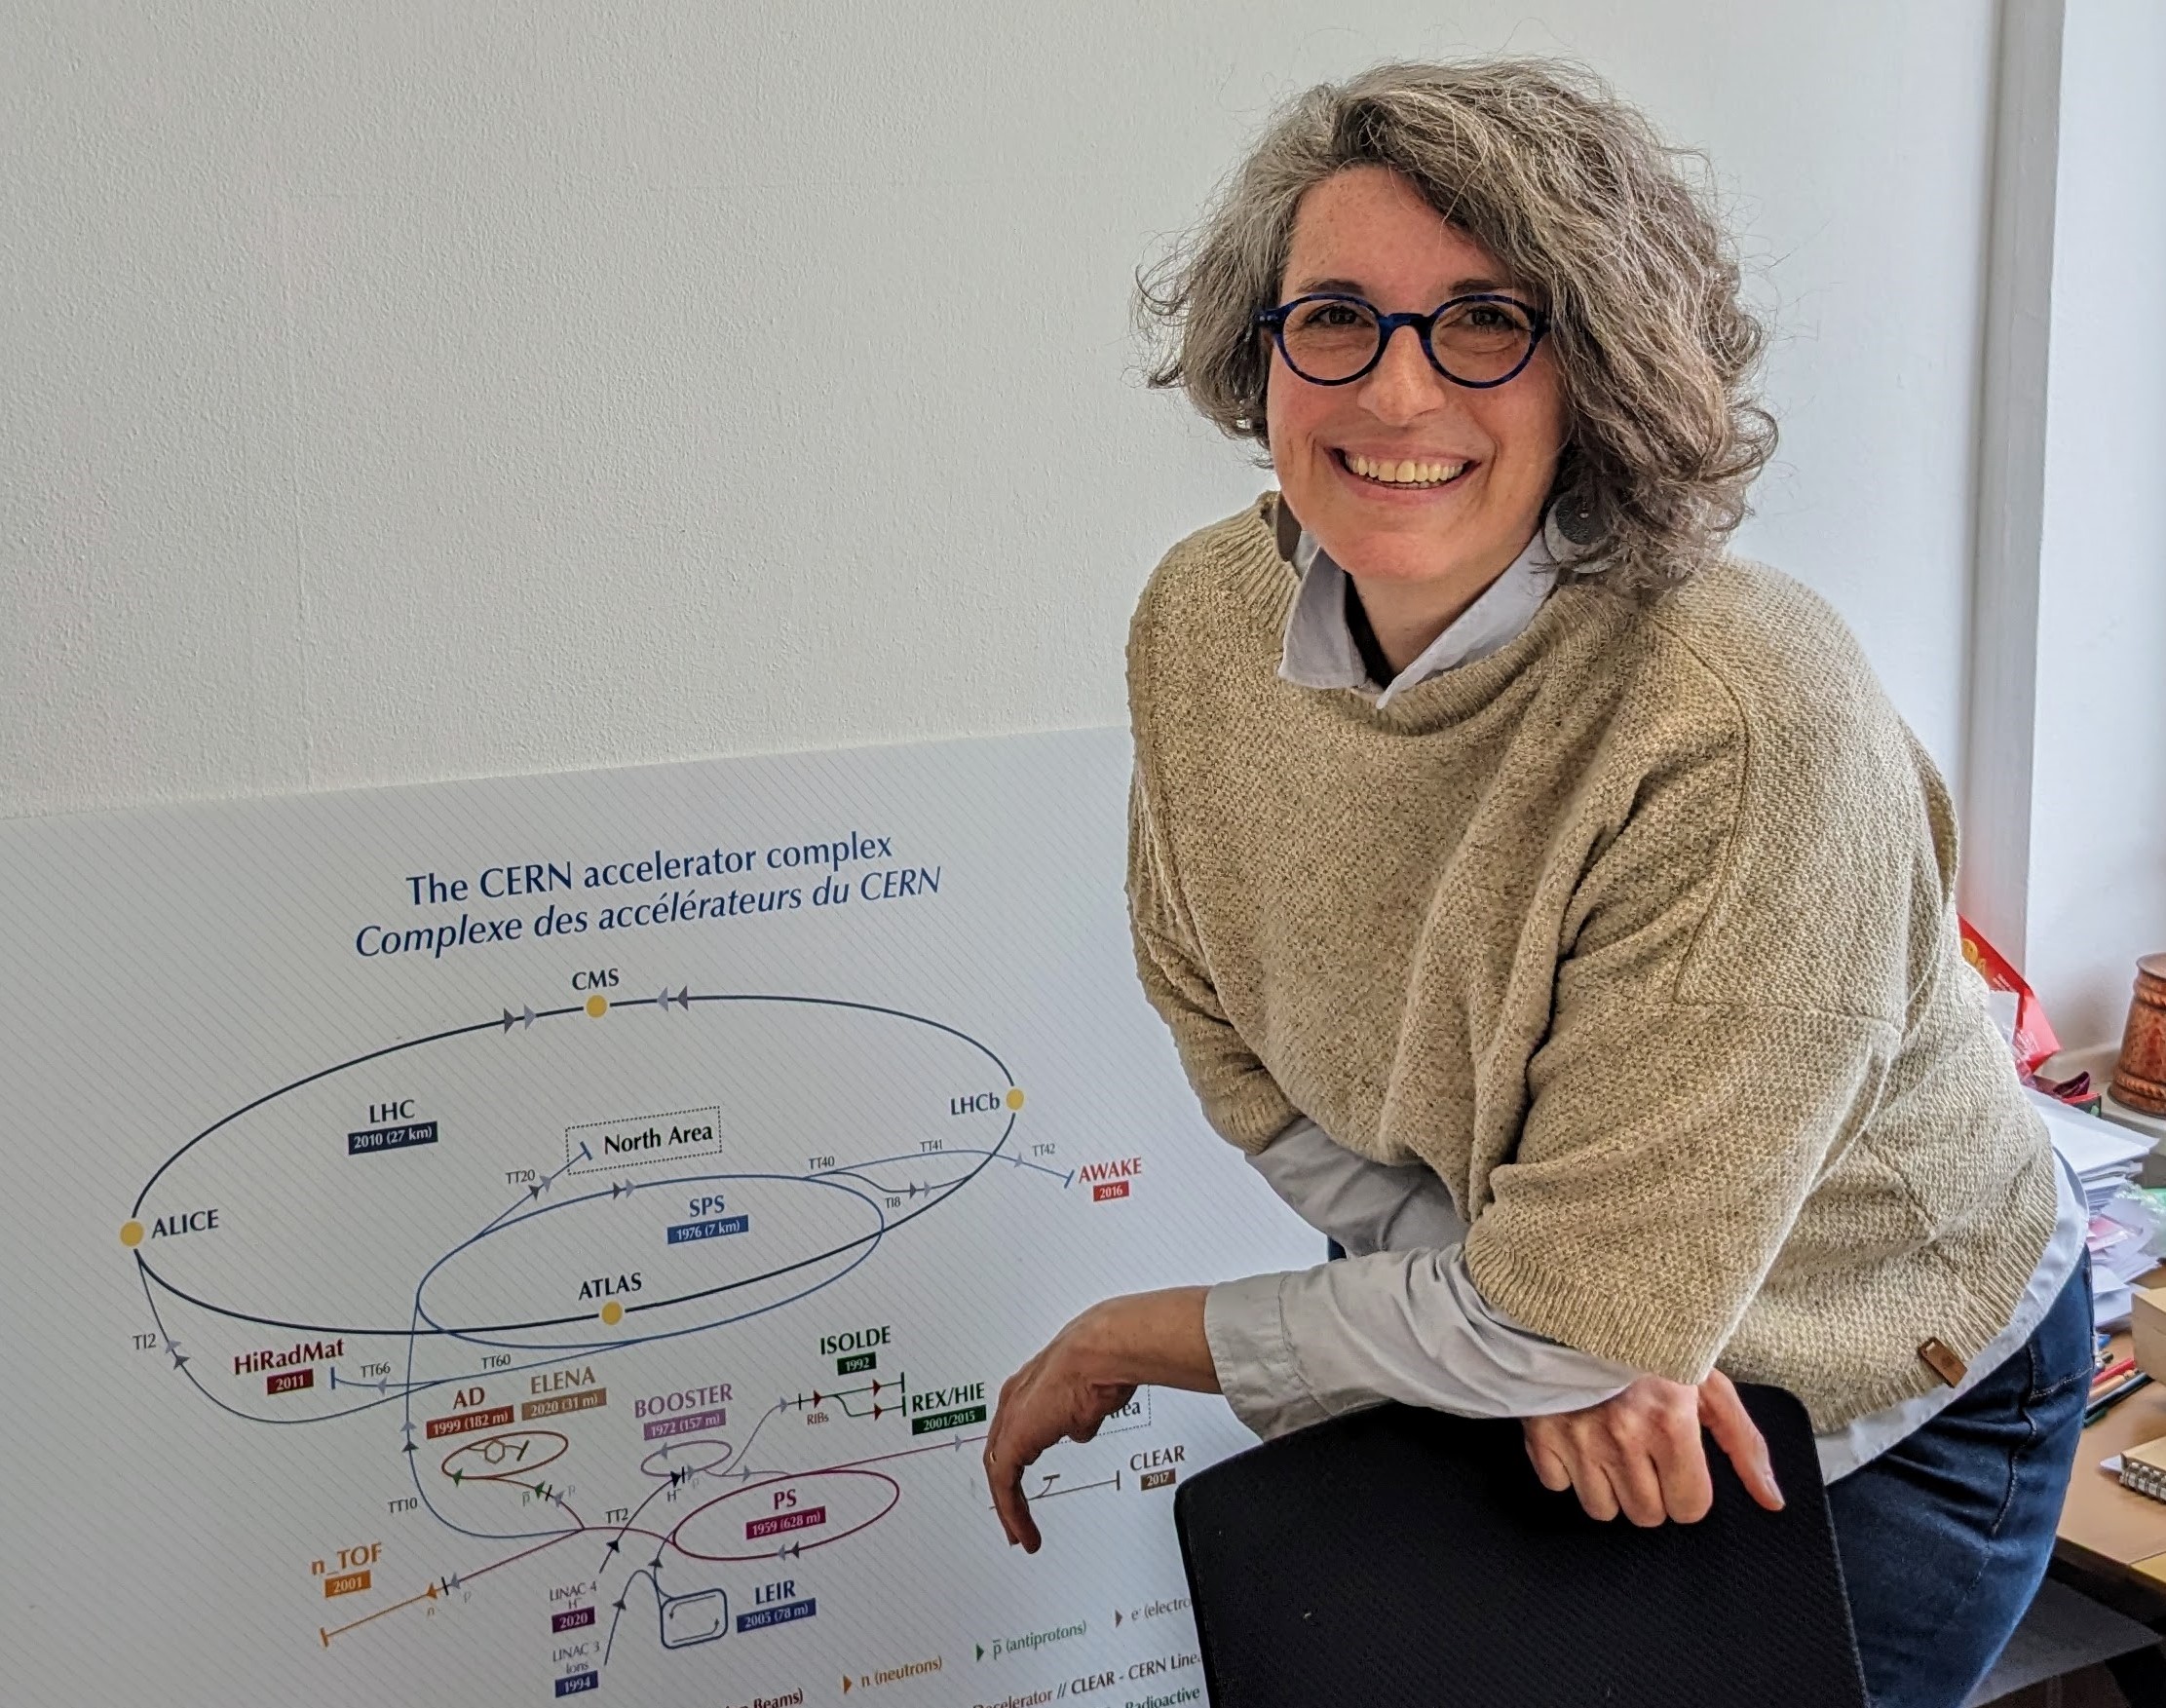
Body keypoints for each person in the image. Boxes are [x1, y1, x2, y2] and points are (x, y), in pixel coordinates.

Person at [980, 57, 2091, 1708]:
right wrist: (1534, 1329)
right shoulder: (1201, 625)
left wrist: (1144, 1334)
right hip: (1569, 1330)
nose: (1399, 394)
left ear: (1600, 371)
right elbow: (1235, 1043)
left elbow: (1575, 1323)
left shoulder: (1741, 715)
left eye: (1487, 319)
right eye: (1336, 315)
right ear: (1261, 349)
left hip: (1881, 1384)